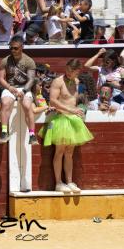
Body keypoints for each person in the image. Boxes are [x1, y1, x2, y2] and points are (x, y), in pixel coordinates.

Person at [40, 59, 93, 193]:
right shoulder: (58, 81)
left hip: (73, 119)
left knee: (69, 152)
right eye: (68, 69)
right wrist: (71, 111)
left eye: (72, 71)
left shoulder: (76, 82)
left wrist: (81, 109)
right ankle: (58, 182)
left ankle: (69, 181)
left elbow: (75, 101)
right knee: (60, 151)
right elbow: (52, 100)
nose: (69, 73)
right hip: (61, 119)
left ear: (77, 72)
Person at [0, 35, 37, 144]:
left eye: (15, 48)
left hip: (25, 87)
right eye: (11, 48)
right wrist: (10, 88)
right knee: (5, 103)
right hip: (10, 87)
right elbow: (1, 78)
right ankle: (4, 132)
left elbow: (31, 80)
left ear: (22, 47)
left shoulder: (29, 61)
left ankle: (32, 135)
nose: (13, 50)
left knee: (27, 105)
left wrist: (23, 91)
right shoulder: (5, 60)